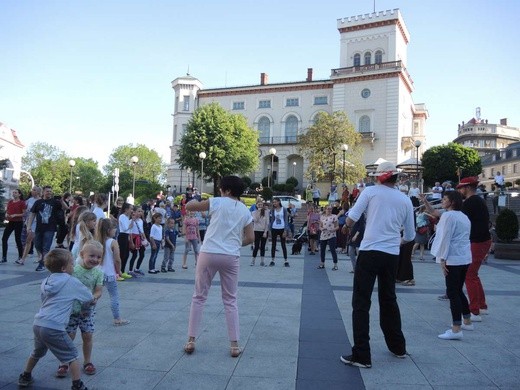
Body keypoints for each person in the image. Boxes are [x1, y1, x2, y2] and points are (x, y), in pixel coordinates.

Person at [341, 161, 415, 368]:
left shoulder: (370, 192)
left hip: (369, 251)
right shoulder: (405, 199)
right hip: (391, 255)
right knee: (389, 299)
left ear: (379, 177)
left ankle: (362, 355)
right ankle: (398, 347)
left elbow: (352, 218)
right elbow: (409, 235)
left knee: (361, 302)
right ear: (396, 178)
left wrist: (346, 227)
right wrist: (396, 241)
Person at [183, 176, 254, 357]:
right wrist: (236, 244)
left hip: (208, 252)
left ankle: (191, 340)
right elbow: (251, 238)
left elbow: (190, 207)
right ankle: (234, 345)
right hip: (230, 256)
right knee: (230, 300)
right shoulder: (245, 210)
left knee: (198, 297)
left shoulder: (217, 202)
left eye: (221, 188)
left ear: (227, 190)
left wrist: (194, 198)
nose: (220, 191)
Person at [17, 248, 93, 390]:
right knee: (72, 355)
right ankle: (77, 385)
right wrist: (85, 310)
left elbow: (43, 300)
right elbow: (89, 297)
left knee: (37, 352)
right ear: (64, 268)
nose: (74, 266)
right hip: (54, 327)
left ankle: (25, 376)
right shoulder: (71, 281)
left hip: (38, 323)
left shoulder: (46, 281)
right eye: (72, 264)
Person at [55, 240, 104, 378]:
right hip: (71, 311)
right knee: (69, 336)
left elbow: (99, 290)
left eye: (99, 257)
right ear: (82, 254)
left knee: (87, 336)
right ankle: (64, 362)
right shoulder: (73, 270)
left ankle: (87, 361)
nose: (95, 259)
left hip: (87, 312)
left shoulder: (98, 273)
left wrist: (94, 297)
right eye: (92, 256)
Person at [430, 191, 474, 340]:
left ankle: (456, 329)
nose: (442, 201)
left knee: (452, 292)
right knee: (458, 290)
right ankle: (466, 320)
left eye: (445, 199)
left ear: (452, 202)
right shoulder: (464, 217)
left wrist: (442, 259)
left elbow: (444, 238)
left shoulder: (448, 216)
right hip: (464, 257)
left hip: (453, 258)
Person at [456, 176, 492, 322]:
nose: (460, 190)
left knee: (469, 275)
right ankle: (482, 306)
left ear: (468, 187)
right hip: (483, 240)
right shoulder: (478, 201)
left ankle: (474, 311)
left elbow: (461, 221)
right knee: (474, 274)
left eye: (461, 188)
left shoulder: (470, 203)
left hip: (477, 241)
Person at [95, 218, 129, 325]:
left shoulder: (96, 241)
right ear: (109, 230)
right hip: (109, 273)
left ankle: (88, 313)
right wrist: (118, 271)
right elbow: (117, 259)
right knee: (113, 296)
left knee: (94, 294)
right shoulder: (113, 242)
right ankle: (117, 318)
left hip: (97, 273)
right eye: (114, 228)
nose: (115, 230)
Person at [26, 186, 65, 272]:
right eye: (47, 191)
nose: (49, 193)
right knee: (37, 244)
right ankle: (44, 258)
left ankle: (42, 264)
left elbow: (65, 208)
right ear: (43, 192)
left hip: (50, 228)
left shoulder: (55, 202)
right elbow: (32, 214)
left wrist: (62, 201)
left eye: (50, 191)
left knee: (46, 247)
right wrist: (29, 226)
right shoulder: (38, 202)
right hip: (39, 228)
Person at [19, 186, 42, 265]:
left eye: (34, 190)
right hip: (28, 222)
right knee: (34, 241)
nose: (32, 191)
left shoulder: (41, 201)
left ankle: (22, 259)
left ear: (39, 192)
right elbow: (26, 210)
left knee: (29, 240)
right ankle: (40, 256)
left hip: (36, 223)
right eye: (32, 190)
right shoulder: (29, 200)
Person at [2, 189, 26, 263]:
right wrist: (6, 214)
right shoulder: (10, 202)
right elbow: (7, 211)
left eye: (15, 193)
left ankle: (20, 257)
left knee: (17, 239)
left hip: (18, 222)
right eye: (13, 192)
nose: (14, 194)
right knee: (4, 238)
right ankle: (4, 257)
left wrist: (15, 215)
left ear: (19, 194)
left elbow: (24, 214)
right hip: (11, 222)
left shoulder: (22, 203)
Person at [269, 197, 290, 267]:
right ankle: (272, 260)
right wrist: (270, 229)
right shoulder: (272, 210)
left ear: (279, 202)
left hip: (282, 228)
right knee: (273, 245)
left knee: (283, 245)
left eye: (275, 202)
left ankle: (286, 260)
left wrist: (285, 230)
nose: (274, 203)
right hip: (274, 228)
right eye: (273, 202)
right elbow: (271, 220)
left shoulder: (283, 209)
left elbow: (286, 220)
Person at [317, 205, 339, 270]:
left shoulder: (334, 216)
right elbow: (320, 226)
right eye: (328, 209)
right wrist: (321, 228)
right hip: (323, 235)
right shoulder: (322, 217)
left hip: (332, 235)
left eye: (330, 209)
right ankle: (322, 263)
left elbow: (337, 226)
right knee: (322, 250)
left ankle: (335, 264)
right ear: (325, 209)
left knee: (332, 250)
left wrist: (333, 229)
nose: (329, 210)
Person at [117, 203, 135, 279]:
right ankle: (118, 272)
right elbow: (125, 228)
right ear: (126, 209)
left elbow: (130, 229)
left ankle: (123, 270)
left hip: (126, 235)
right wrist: (130, 224)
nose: (131, 211)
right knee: (122, 254)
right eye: (130, 209)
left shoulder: (127, 217)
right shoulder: (122, 216)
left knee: (126, 255)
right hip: (122, 235)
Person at [128, 207, 147, 277]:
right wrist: (131, 242)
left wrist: (145, 240)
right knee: (134, 255)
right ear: (134, 212)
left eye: (141, 211)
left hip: (140, 238)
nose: (140, 213)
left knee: (142, 254)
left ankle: (137, 268)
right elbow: (129, 231)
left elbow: (142, 231)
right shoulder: (131, 221)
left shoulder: (141, 221)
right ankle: (130, 270)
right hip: (133, 238)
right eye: (138, 211)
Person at [251, 200, 269, 266]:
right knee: (256, 246)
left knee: (262, 247)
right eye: (259, 205)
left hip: (263, 231)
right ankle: (253, 261)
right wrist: (258, 212)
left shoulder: (266, 212)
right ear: (256, 205)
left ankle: (262, 261)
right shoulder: (253, 212)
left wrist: (265, 232)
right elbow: (256, 220)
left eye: (261, 205)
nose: (260, 206)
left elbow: (267, 223)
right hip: (256, 230)